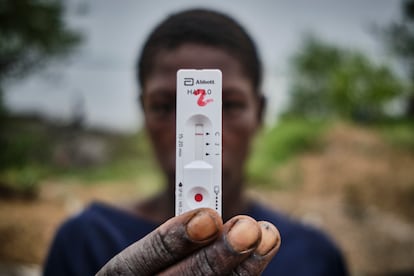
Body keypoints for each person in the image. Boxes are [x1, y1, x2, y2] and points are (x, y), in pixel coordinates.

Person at [44, 9, 348, 276]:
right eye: (165, 106)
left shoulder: (313, 257)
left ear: (260, 113)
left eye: (228, 106)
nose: (195, 132)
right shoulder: (86, 242)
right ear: (144, 113)